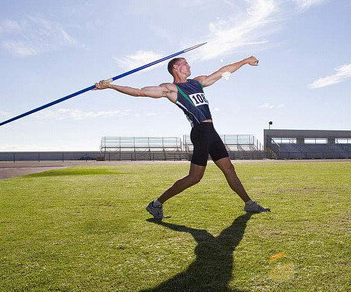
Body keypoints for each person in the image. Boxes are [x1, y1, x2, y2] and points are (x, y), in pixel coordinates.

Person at [95, 55, 270, 219]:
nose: (189, 65)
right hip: (201, 132)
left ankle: (249, 203)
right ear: (176, 68)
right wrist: (111, 86)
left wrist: (246, 61)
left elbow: (222, 72)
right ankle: (156, 204)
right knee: (194, 178)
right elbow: (140, 92)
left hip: (211, 131)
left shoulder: (198, 82)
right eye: (185, 63)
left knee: (229, 169)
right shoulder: (171, 89)